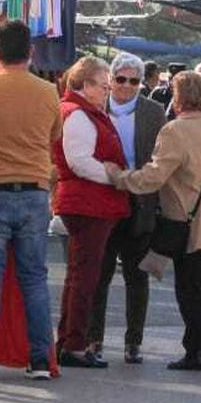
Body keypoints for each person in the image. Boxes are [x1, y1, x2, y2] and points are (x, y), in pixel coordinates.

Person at [108, 71, 201, 371]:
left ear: (179, 98)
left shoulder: (174, 131)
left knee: (193, 292)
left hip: (193, 226)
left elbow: (153, 177)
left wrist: (119, 177)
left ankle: (196, 352)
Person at [0, 21, 64, 381]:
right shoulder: (49, 92)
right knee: (34, 277)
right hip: (34, 190)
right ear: (30, 53)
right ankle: (39, 359)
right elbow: (54, 135)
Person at [50, 55, 132, 369]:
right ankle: (74, 344)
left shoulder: (82, 111)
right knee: (84, 278)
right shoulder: (78, 114)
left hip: (89, 202)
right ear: (85, 85)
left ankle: (71, 341)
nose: (107, 90)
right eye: (102, 84)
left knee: (80, 276)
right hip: (87, 203)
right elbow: (79, 162)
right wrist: (115, 176)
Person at [86, 54, 167, 364]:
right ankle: (94, 339)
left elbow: (159, 159)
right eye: (121, 80)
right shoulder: (94, 107)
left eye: (134, 80)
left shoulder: (154, 112)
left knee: (137, 276)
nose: (127, 86)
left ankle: (134, 342)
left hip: (139, 201)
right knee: (100, 275)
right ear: (111, 80)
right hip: (103, 199)